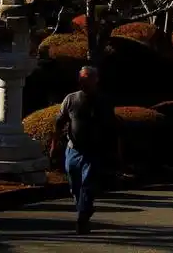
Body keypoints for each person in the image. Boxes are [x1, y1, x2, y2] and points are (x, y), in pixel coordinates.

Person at [52, 65, 118, 234]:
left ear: (96, 80)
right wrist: (54, 144)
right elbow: (59, 122)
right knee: (74, 185)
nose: (84, 82)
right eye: (82, 78)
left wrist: (114, 148)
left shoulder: (104, 101)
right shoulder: (71, 99)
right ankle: (84, 208)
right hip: (73, 149)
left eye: (88, 78)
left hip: (94, 150)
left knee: (87, 184)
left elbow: (112, 126)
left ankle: (82, 218)